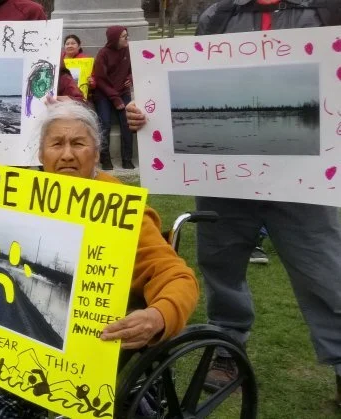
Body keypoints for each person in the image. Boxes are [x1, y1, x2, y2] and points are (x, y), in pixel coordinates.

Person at [0, 101, 199, 418]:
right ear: (41, 156)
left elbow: (178, 278)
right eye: (57, 143)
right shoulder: (21, 194)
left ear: (96, 154)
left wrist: (159, 315)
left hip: (78, 355)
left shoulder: (120, 209)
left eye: (78, 143)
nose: (67, 154)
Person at [125, 0, 341, 407]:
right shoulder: (217, 16)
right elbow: (188, 78)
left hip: (302, 181)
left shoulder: (324, 10)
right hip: (223, 179)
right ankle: (226, 349)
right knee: (220, 267)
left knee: (326, 274)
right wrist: (147, 111)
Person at [92, 26, 134, 171]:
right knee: (105, 124)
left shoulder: (128, 50)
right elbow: (100, 79)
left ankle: (127, 159)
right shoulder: (103, 53)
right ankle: (105, 159)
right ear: (115, 39)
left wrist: (130, 77)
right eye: (124, 36)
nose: (127, 38)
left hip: (122, 91)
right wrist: (116, 99)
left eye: (127, 35)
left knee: (128, 123)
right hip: (104, 93)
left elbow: (134, 68)